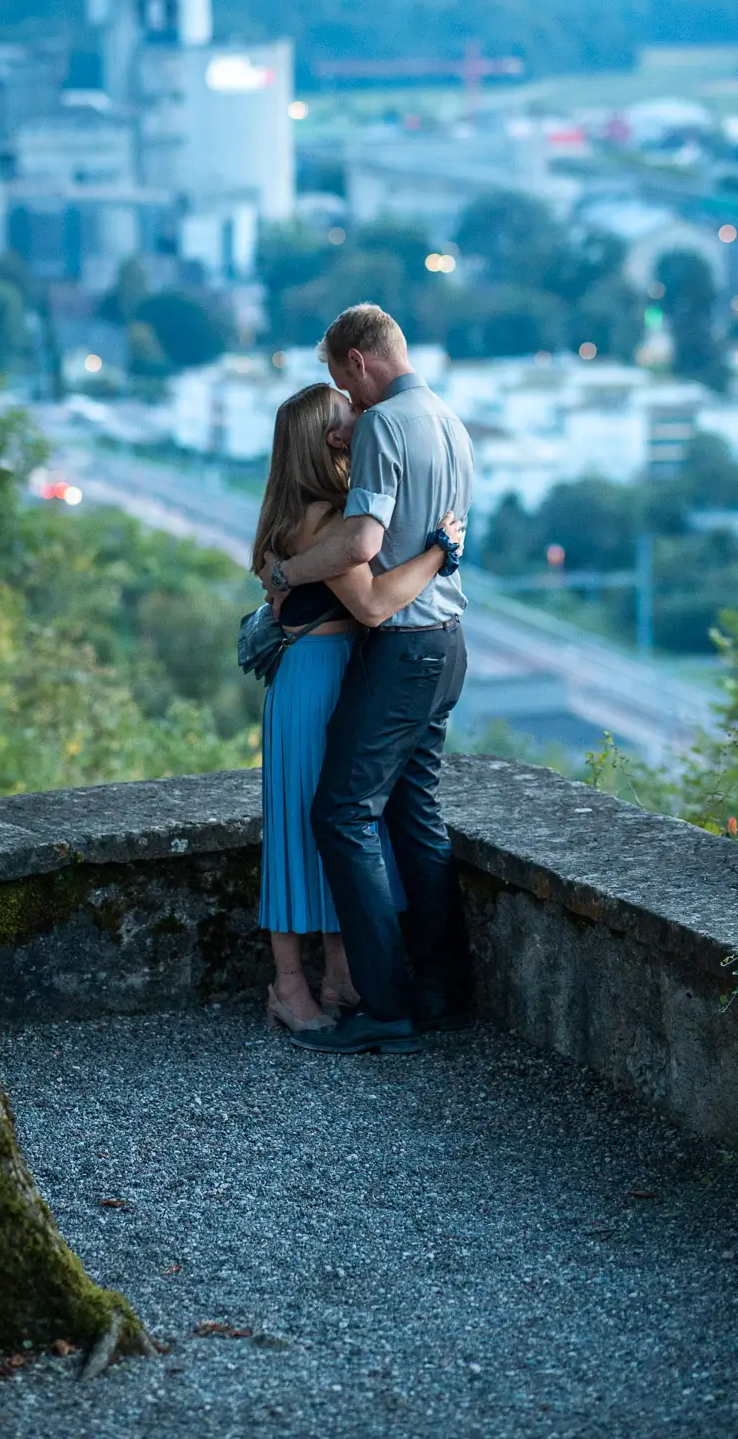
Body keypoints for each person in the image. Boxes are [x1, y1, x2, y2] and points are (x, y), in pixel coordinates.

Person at [260, 304, 475, 1056]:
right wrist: (445, 556)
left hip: (405, 643)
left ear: (357, 362)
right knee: (415, 814)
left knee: (342, 815)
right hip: (449, 642)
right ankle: (444, 989)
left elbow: (363, 542)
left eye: (342, 389)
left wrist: (283, 571)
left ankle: (385, 1003)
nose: (347, 412)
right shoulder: (448, 418)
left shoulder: (384, 421)